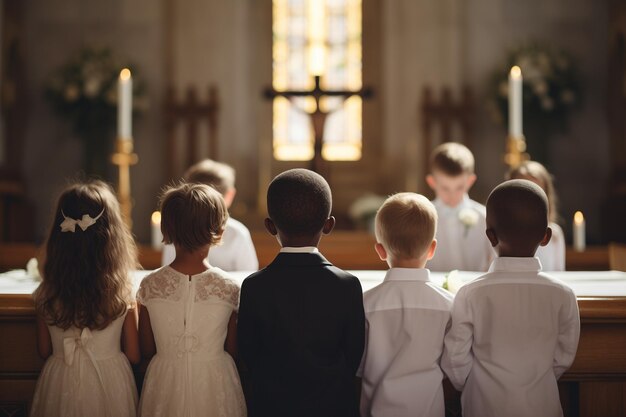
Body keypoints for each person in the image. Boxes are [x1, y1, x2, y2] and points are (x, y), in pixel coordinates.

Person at [441, 179, 580, 417]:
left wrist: (474, 385)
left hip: (484, 405)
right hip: (542, 404)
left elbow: (455, 358)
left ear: (490, 237)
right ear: (546, 237)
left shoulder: (471, 293)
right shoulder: (563, 295)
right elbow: (564, 356)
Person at [237, 168, 365, 417]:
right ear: (329, 225)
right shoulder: (347, 285)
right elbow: (353, 356)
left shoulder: (255, 286)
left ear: (270, 226)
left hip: (272, 406)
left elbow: (248, 353)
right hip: (333, 406)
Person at [30, 181, 140, 417]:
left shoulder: (46, 292)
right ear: (111, 238)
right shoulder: (122, 291)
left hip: (60, 381)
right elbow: (133, 353)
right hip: (111, 383)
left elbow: (43, 349)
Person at [137, 183, 246, 417]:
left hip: (165, 382)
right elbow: (233, 349)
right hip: (215, 382)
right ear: (219, 230)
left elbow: (146, 348)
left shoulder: (150, 286)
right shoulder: (228, 288)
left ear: (166, 228)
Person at [358, 193, 453, 417]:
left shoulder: (365, 304)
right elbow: (452, 367)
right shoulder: (448, 304)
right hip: (429, 409)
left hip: (377, 408)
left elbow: (358, 366)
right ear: (432, 248)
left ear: (380, 250)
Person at [161, 159, 258, 271]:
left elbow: (168, 269)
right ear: (230, 195)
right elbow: (247, 275)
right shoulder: (238, 233)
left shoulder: (176, 226)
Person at [425, 142, 495, 272]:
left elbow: (492, 260)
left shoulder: (485, 218)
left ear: (470, 181)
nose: (452, 195)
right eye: (445, 188)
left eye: (459, 187)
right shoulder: (422, 218)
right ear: (432, 182)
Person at [508, 160, 565, 270]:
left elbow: (559, 273)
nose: (528, 199)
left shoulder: (555, 234)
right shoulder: (501, 232)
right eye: (523, 191)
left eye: (536, 191)